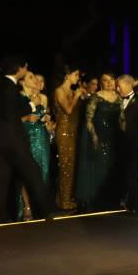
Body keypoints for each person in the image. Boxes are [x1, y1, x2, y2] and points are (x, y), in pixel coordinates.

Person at [0, 55, 52, 223]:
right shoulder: (9, 86)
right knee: (34, 174)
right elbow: (11, 112)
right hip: (12, 141)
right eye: (26, 67)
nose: (27, 70)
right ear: (20, 68)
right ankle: (44, 213)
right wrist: (31, 104)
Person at [76, 72, 121, 210]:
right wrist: (95, 137)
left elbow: (121, 118)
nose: (109, 83)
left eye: (111, 80)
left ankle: (112, 198)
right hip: (99, 135)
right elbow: (88, 120)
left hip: (114, 136)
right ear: (101, 83)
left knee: (112, 166)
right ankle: (97, 199)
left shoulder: (118, 98)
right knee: (100, 165)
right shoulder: (96, 97)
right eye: (105, 80)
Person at [18, 71, 54, 221]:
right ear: (22, 82)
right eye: (31, 78)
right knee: (26, 173)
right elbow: (11, 119)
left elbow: (44, 116)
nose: (35, 81)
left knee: (43, 172)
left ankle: (40, 206)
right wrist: (26, 118)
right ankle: (27, 206)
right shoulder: (19, 97)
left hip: (42, 138)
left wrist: (47, 122)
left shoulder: (42, 98)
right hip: (26, 137)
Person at [53, 66, 85, 211]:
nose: (77, 77)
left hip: (74, 131)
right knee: (65, 165)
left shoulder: (72, 91)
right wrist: (77, 96)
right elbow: (68, 109)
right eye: (76, 74)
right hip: (64, 131)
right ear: (67, 75)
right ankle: (64, 200)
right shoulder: (59, 91)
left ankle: (65, 198)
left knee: (71, 166)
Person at [117, 74, 138, 207]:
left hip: (134, 142)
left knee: (133, 171)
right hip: (117, 142)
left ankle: (131, 200)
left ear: (127, 84)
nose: (117, 89)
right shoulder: (114, 99)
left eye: (118, 86)